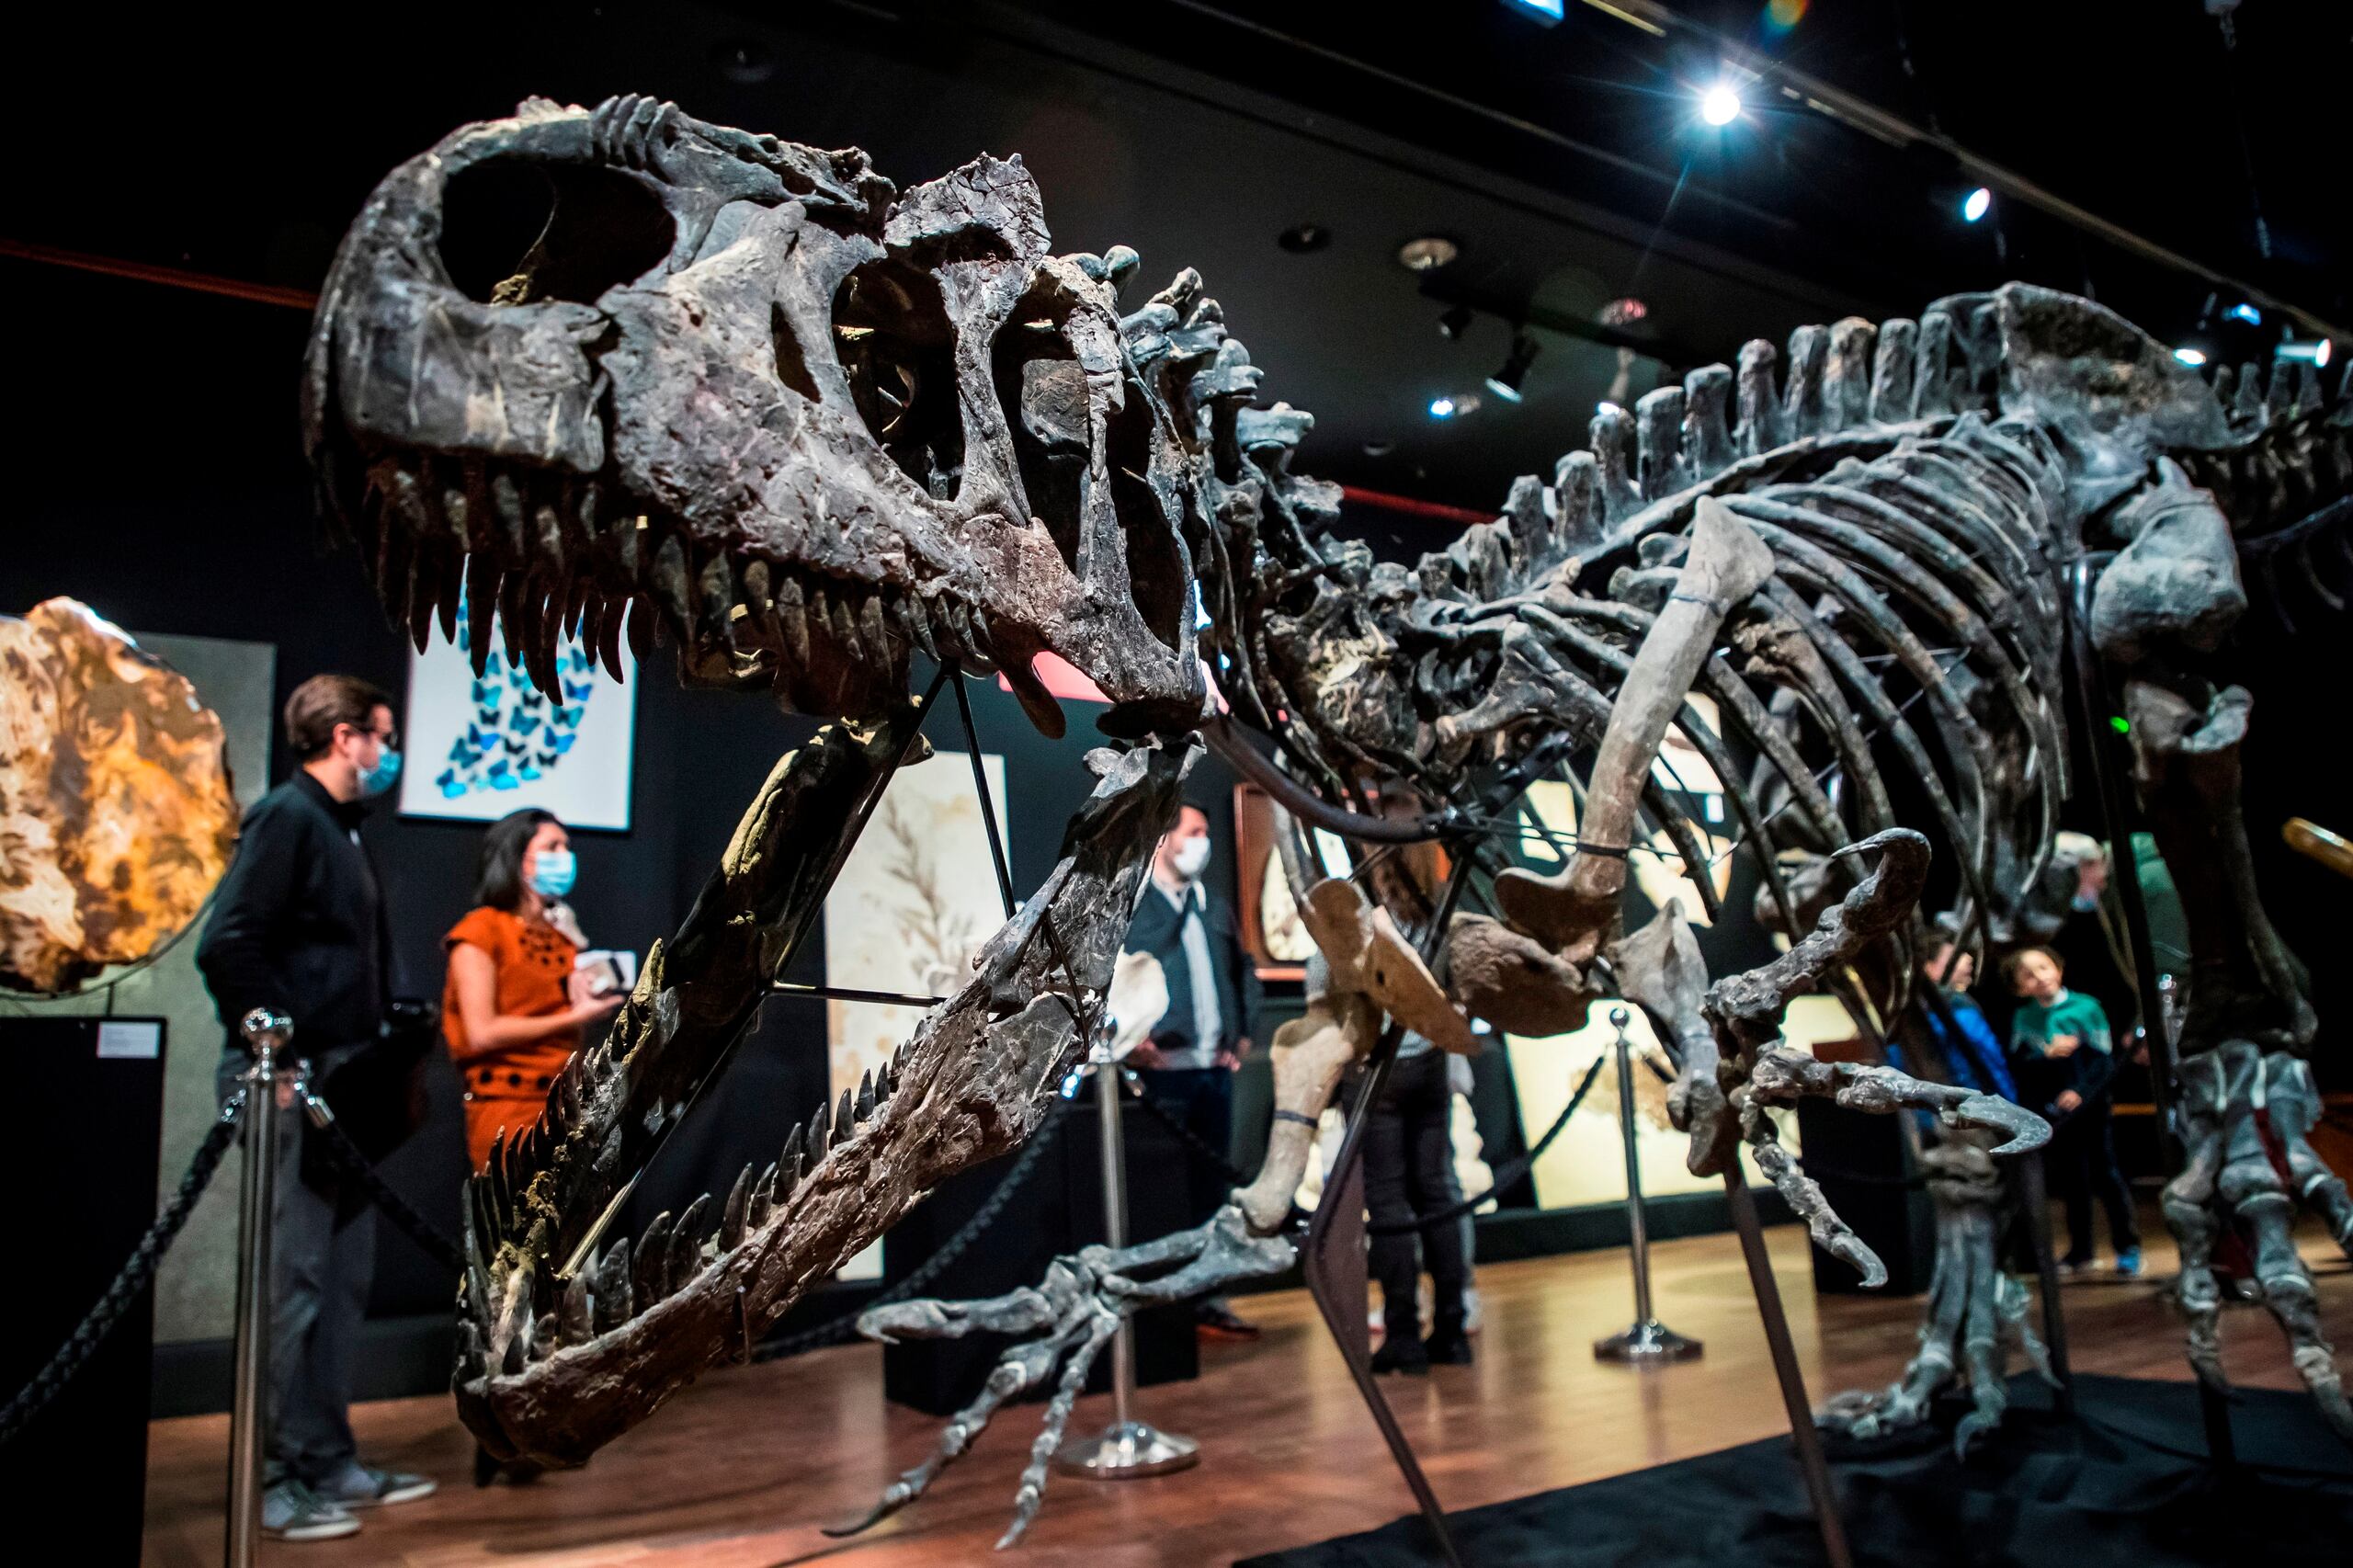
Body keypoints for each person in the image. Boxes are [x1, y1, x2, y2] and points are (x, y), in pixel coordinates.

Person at [195, 675, 436, 1542]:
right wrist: (281, 1055)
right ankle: (264, 1477)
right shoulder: (287, 818)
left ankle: (325, 1457)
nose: (386, 752)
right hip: (293, 1086)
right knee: (287, 1283)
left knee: (338, 1283)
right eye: (381, 735)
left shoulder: (338, 828)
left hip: (344, 1093)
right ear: (343, 737)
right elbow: (230, 945)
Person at [1121, 802, 1263, 1338]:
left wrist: (1243, 1033)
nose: (1204, 841)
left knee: (1210, 1191)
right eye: (1195, 832)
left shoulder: (1212, 905)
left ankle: (1208, 1301)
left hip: (1215, 1072)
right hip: (1163, 1077)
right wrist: (1133, 1041)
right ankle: (1165, 1310)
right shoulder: (1135, 909)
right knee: (1163, 1192)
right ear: (1163, 840)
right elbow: (1110, 978)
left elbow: (1241, 970)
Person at [443, 810, 623, 1168]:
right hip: (507, 1112)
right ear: (517, 858)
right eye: (552, 846)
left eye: (566, 846)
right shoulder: (481, 930)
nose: (565, 856)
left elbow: (586, 994)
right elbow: (481, 1032)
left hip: (568, 1107)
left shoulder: (562, 934)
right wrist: (574, 1017)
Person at [2006, 946, 2141, 1277]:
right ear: (2019, 986)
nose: (2039, 977)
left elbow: (2104, 1061)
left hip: (2091, 1110)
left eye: (2044, 967)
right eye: (2028, 974)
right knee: (2072, 1181)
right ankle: (2082, 1252)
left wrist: (2080, 1093)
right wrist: (2045, 1056)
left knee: (2106, 1175)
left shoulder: (2086, 1007)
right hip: (2056, 1115)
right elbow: (2020, 1064)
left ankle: (2128, 1248)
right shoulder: (2024, 1018)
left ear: (2059, 969)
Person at [1358, 1023, 1476, 1374]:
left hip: (1375, 1061)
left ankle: (1403, 1337)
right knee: (1437, 1191)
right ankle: (1452, 1332)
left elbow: (1323, 989)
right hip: (1430, 1055)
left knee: (1387, 1198)